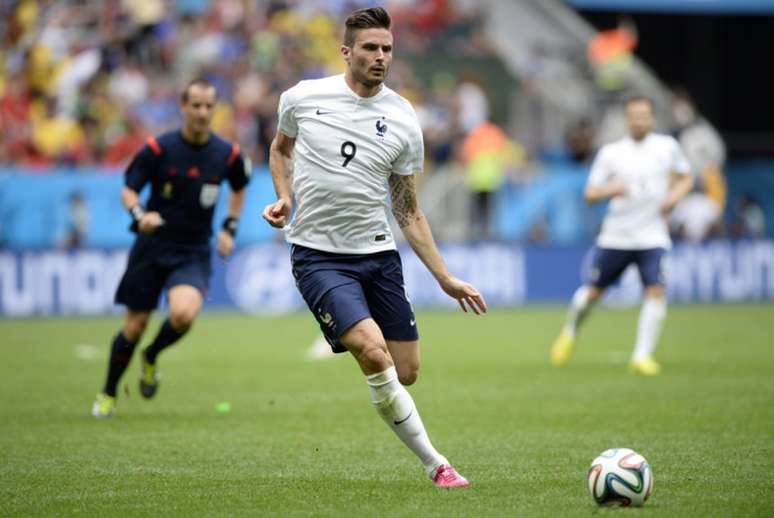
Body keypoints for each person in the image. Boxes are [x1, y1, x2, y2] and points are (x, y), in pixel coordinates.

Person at [262, 7, 487, 488]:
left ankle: (371, 363)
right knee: (374, 353)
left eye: (387, 48)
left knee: (407, 371)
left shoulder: (403, 118)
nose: (380, 56)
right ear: (346, 51)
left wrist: (444, 277)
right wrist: (284, 196)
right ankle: (437, 464)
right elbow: (280, 149)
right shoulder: (303, 98)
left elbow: (407, 208)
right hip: (318, 257)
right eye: (370, 48)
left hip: (379, 256)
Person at [92, 78, 251, 418]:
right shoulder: (159, 149)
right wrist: (139, 214)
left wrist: (229, 227)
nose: (203, 112)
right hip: (152, 247)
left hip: (192, 250)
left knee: (183, 314)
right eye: (196, 105)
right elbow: (128, 190)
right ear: (183, 107)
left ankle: (151, 356)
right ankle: (108, 393)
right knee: (134, 326)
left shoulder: (227, 154)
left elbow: (239, 186)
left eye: (209, 106)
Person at [550, 95, 693, 375]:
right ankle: (570, 331)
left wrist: (674, 196)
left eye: (644, 115)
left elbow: (686, 176)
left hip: (652, 235)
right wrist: (610, 190)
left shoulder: (667, 147)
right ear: (627, 120)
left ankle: (642, 356)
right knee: (592, 294)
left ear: (651, 118)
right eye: (634, 116)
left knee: (655, 290)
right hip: (617, 236)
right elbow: (590, 194)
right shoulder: (612, 153)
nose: (639, 120)